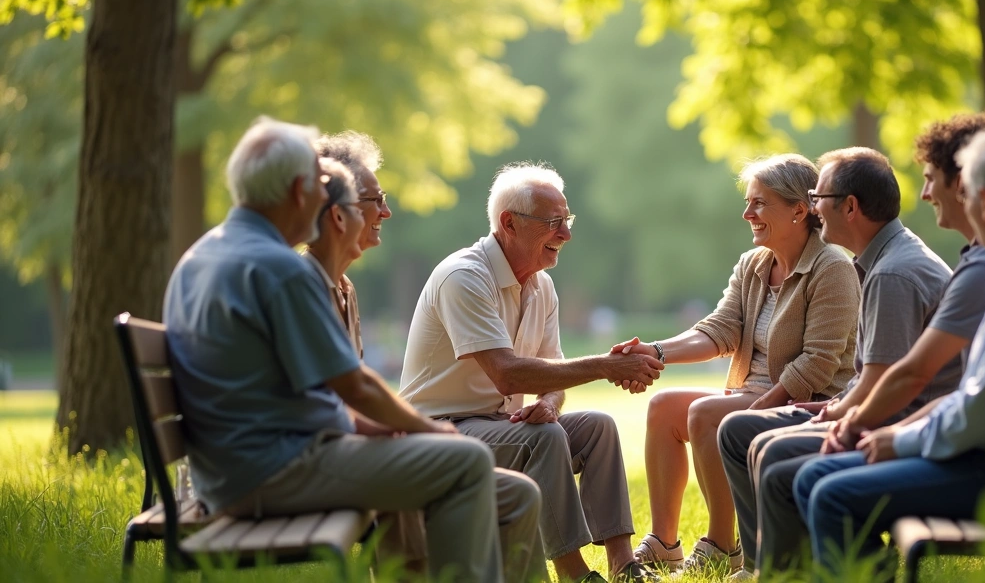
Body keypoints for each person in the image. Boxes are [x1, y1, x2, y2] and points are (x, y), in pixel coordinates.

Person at [164, 116, 537, 583]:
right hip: (269, 472)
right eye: (321, 185)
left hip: (236, 468)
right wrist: (430, 429)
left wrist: (395, 430)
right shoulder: (276, 267)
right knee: (465, 460)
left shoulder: (204, 254)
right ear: (298, 190)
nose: (326, 199)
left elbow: (309, 395)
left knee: (450, 466)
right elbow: (354, 386)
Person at [792, 126, 985, 577]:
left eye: (967, 193)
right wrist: (896, 434)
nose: (960, 203)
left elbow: (983, 410)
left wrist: (899, 440)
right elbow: (979, 397)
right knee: (815, 477)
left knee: (831, 494)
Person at [399, 162, 664, 583]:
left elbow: (549, 372)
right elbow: (507, 375)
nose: (566, 234)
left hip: (499, 425)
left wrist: (550, 403)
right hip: (437, 431)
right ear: (509, 223)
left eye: (567, 220)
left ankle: (624, 566)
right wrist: (605, 366)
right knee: (543, 438)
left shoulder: (542, 286)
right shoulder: (464, 277)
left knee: (598, 427)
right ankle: (575, 575)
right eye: (553, 222)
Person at [305, 144, 546, 582]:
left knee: (517, 493)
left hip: (339, 449)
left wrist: (393, 429)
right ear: (339, 213)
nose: (386, 212)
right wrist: (421, 429)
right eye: (375, 200)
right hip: (310, 461)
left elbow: (345, 395)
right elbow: (341, 396)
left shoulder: (342, 288)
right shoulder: (302, 284)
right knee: (463, 463)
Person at [614, 154, 860, 575]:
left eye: (759, 203)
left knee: (705, 413)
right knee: (663, 408)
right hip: (751, 393)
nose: (748, 214)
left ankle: (722, 545)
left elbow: (818, 363)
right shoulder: (754, 264)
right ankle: (664, 543)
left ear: (799, 210)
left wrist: (758, 406)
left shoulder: (833, 268)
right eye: (748, 203)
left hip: (809, 402)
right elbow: (721, 329)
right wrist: (655, 352)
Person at [717, 147, 958, 575]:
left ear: (850, 207)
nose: (812, 208)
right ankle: (761, 566)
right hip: (882, 409)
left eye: (818, 197)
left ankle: (783, 572)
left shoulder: (893, 273)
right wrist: (832, 406)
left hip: (902, 423)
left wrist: (835, 416)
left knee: (771, 450)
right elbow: (874, 374)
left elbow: (884, 384)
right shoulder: (882, 261)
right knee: (737, 430)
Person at [821, 112, 985, 454]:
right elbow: (962, 392)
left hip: (977, 455)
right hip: (947, 435)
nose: (924, 194)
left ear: (962, 184)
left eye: (930, 178)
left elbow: (913, 376)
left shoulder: (981, 270)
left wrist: (858, 428)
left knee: (795, 465)